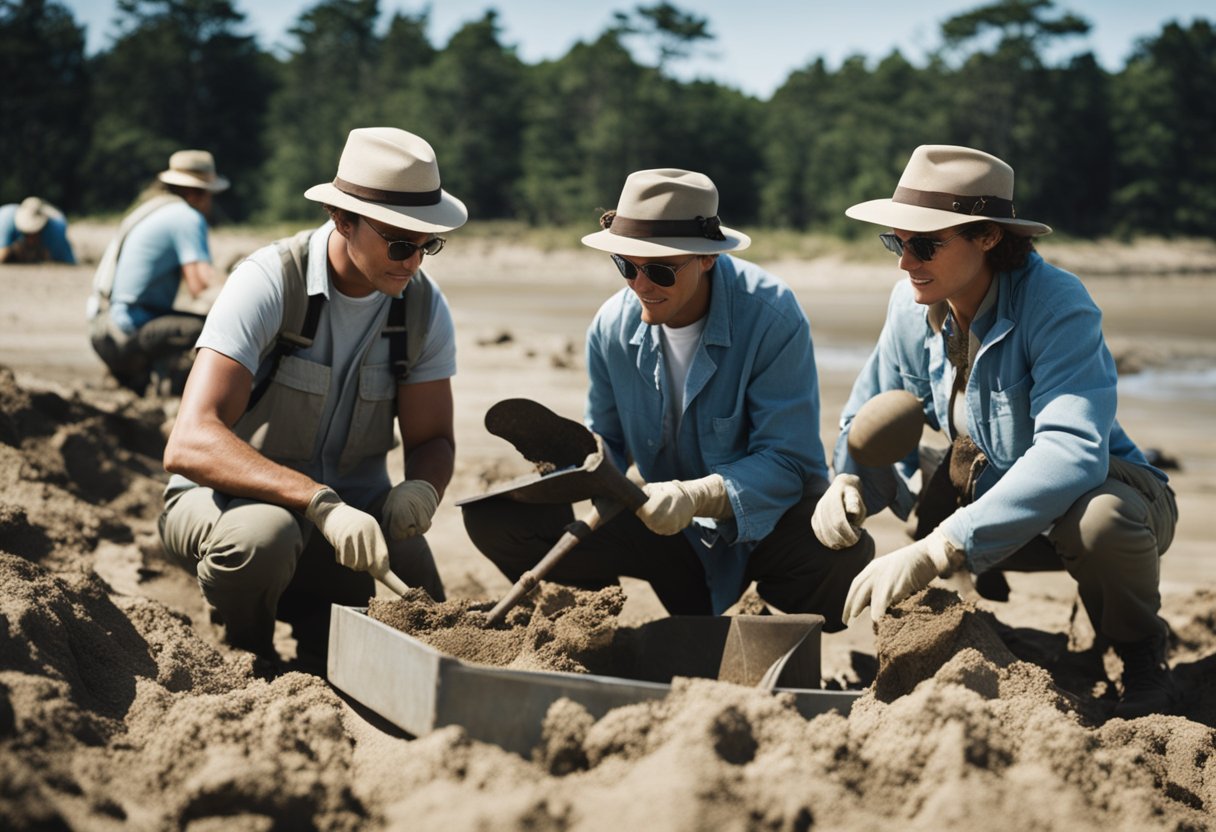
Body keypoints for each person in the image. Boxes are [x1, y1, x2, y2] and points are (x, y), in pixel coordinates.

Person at [818, 144, 1178, 718]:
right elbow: (869, 412)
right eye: (896, 241)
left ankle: (1140, 651)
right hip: (983, 488)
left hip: (1104, 497)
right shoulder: (913, 303)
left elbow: (1072, 452)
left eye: (925, 243)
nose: (905, 261)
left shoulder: (1057, 304)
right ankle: (973, 632)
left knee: (1102, 521)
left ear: (988, 237)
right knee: (906, 482)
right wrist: (846, 480)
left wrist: (944, 544)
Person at [463, 169, 873, 628]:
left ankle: (769, 626)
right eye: (625, 265)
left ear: (707, 259)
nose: (639, 284)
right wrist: (569, 466)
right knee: (494, 519)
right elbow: (608, 446)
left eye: (659, 270)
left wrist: (699, 495)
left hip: (762, 531)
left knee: (844, 557)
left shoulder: (772, 318)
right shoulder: (610, 327)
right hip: (665, 536)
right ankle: (593, 628)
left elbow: (790, 462)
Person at [159, 127, 465, 664]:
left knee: (429, 621)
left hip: (356, 522)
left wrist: (420, 490)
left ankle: (318, 619)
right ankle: (248, 649)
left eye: (427, 245)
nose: (414, 262)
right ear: (342, 220)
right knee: (263, 538)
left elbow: (434, 438)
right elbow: (189, 442)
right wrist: (316, 502)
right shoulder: (269, 281)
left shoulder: (422, 308)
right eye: (399, 243)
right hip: (230, 507)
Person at [89, 150, 228, 395]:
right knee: (210, 330)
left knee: (182, 322)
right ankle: (176, 389)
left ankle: (138, 377)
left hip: (104, 326)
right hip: (123, 333)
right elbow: (200, 286)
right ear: (198, 193)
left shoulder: (151, 209)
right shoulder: (187, 217)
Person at [0, 196, 76, 264]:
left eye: (34, 233)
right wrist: (13, 251)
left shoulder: (57, 227)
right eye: (26, 233)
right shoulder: (5, 219)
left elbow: (68, 263)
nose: (30, 238)